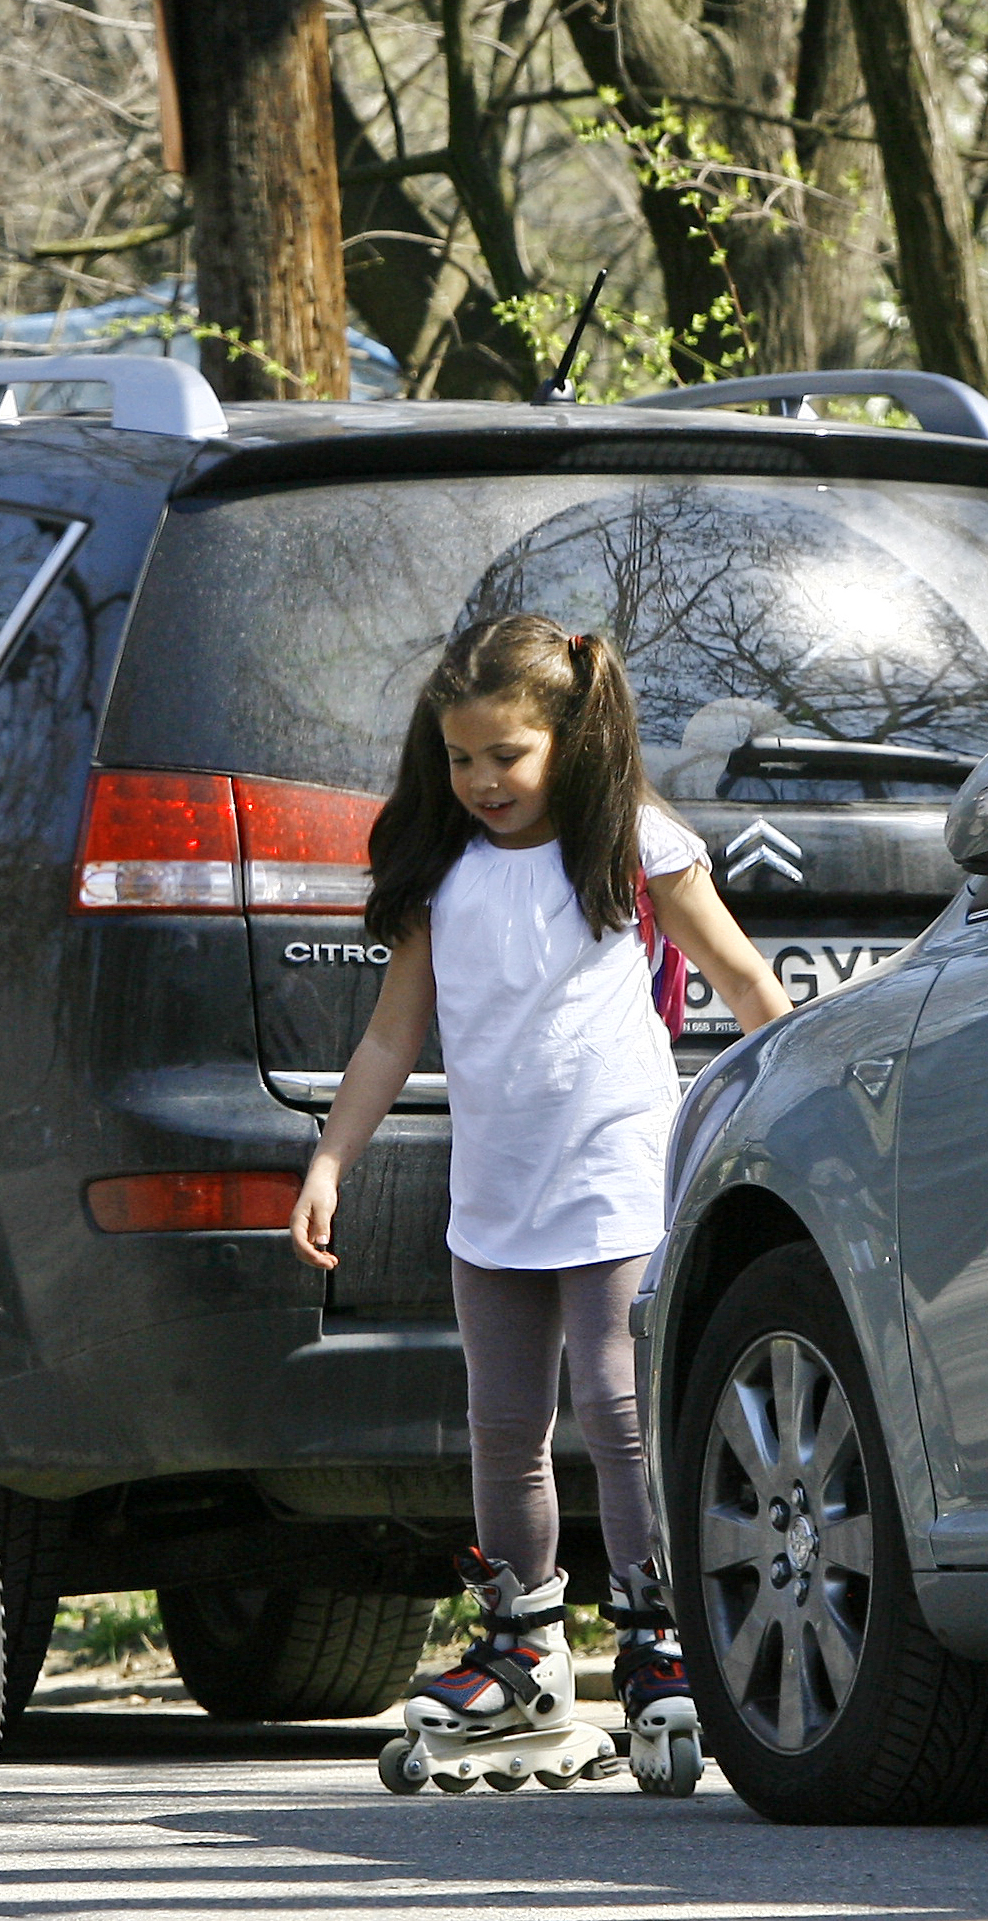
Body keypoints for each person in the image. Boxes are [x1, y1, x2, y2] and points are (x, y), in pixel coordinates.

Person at [290, 613, 792, 1790]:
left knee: (620, 1412)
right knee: (503, 1427)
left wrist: (806, 1098)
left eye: (504, 757)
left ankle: (657, 1631)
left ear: (567, 740)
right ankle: (525, 1643)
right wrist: (328, 1163)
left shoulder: (632, 848)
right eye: (460, 759)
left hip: (615, 1172)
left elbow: (742, 976)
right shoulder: (443, 875)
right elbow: (386, 1041)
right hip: (496, 1190)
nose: (480, 782)